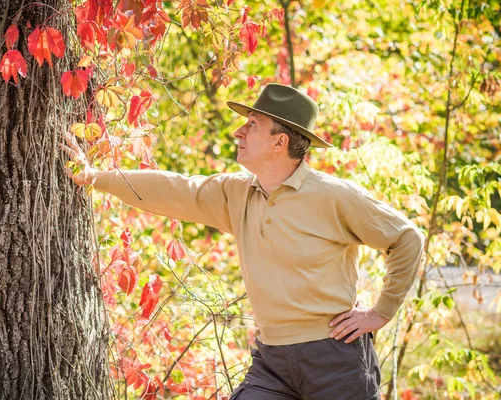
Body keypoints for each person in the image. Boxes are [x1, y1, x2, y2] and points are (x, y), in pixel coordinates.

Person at [61, 83, 425, 399]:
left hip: (334, 359)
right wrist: (94, 176)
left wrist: (380, 312)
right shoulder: (237, 192)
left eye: (252, 125)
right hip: (273, 361)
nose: (239, 131)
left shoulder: (334, 196)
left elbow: (407, 238)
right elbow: (174, 188)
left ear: (280, 142)